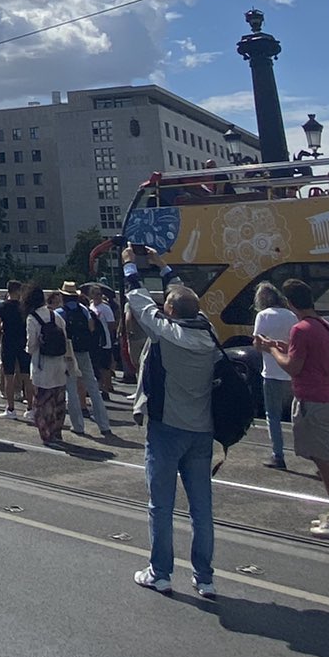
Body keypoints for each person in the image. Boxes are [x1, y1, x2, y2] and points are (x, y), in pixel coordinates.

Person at [125, 246, 218, 597]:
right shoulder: (208, 333)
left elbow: (138, 300)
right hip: (202, 429)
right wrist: (163, 265)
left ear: (168, 310)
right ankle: (205, 577)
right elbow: (185, 299)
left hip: (167, 428)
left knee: (161, 505)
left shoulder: (166, 333)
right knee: (201, 509)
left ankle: (160, 572)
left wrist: (131, 265)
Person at [259, 278, 329, 538]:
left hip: (314, 402)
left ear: (290, 304)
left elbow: (292, 367)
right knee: (324, 460)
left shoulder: (300, 329)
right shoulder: (323, 325)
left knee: (325, 464)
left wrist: (270, 350)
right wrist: (283, 349)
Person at [60, 282, 116, 439]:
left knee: (71, 389)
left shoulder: (60, 312)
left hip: (68, 352)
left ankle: (78, 426)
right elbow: (92, 328)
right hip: (84, 351)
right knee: (92, 387)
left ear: (63, 297)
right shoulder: (85, 310)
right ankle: (104, 425)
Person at [252, 281, 296, 469]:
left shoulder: (263, 316)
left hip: (271, 372)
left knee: (273, 416)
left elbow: (257, 343)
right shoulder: (292, 315)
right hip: (292, 372)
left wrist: (268, 345)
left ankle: (278, 455)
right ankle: (310, 452)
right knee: (298, 415)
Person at [25, 283, 74, 447]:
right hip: (59, 364)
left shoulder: (33, 318)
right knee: (59, 401)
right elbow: (65, 339)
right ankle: (57, 432)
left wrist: (29, 350)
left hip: (42, 365)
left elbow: (31, 345)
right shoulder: (55, 316)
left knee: (43, 402)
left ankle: (47, 435)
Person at [0, 280, 28, 420]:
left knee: (8, 375)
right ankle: (30, 408)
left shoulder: (2, 307)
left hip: (8, 341)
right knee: (26, 376)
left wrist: (1, 330)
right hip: (23, 341)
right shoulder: (25, 307)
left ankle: (10, 408)